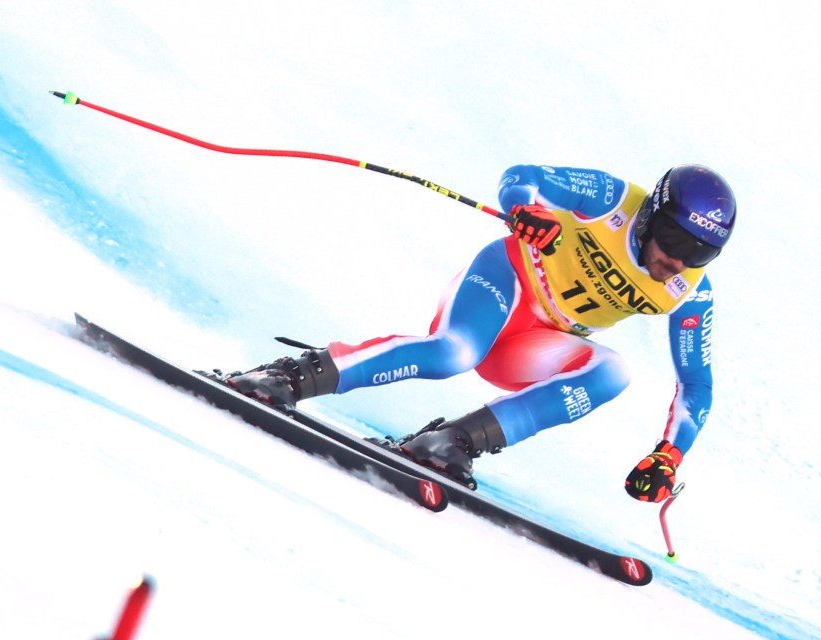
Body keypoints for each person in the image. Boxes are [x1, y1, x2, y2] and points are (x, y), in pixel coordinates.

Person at [221, 164, 736, 500]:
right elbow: (524, 176)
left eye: (699, 254)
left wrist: (670, 455)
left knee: (614, 371)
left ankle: (451, 442)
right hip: (506, 280)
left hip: (536, 339)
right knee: (454, 353)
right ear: (651, 215)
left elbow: (697, 384)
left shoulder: (690, 290)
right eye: (672, 239)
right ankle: (288, 378)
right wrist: (526, 210)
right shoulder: (614, 199)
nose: (676, 261)